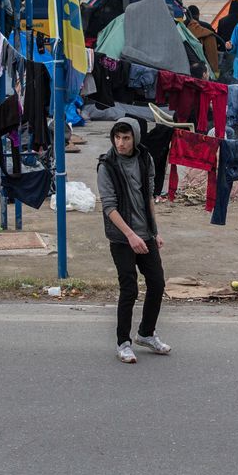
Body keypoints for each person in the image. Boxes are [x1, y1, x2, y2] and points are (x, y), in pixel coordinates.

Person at [97, 118, 169, 363]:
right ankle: (123, 342)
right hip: (121, 237)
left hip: (145, 234)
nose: (121, 143)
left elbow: (148, 196)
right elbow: (109, 207)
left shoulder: (144, 158)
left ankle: (146, 333)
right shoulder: (107, 165)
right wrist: (130, 235)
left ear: (135, 138)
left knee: (157, 283)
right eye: (117, 137)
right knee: (129, 288)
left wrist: (154, 231)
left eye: (126, 138)